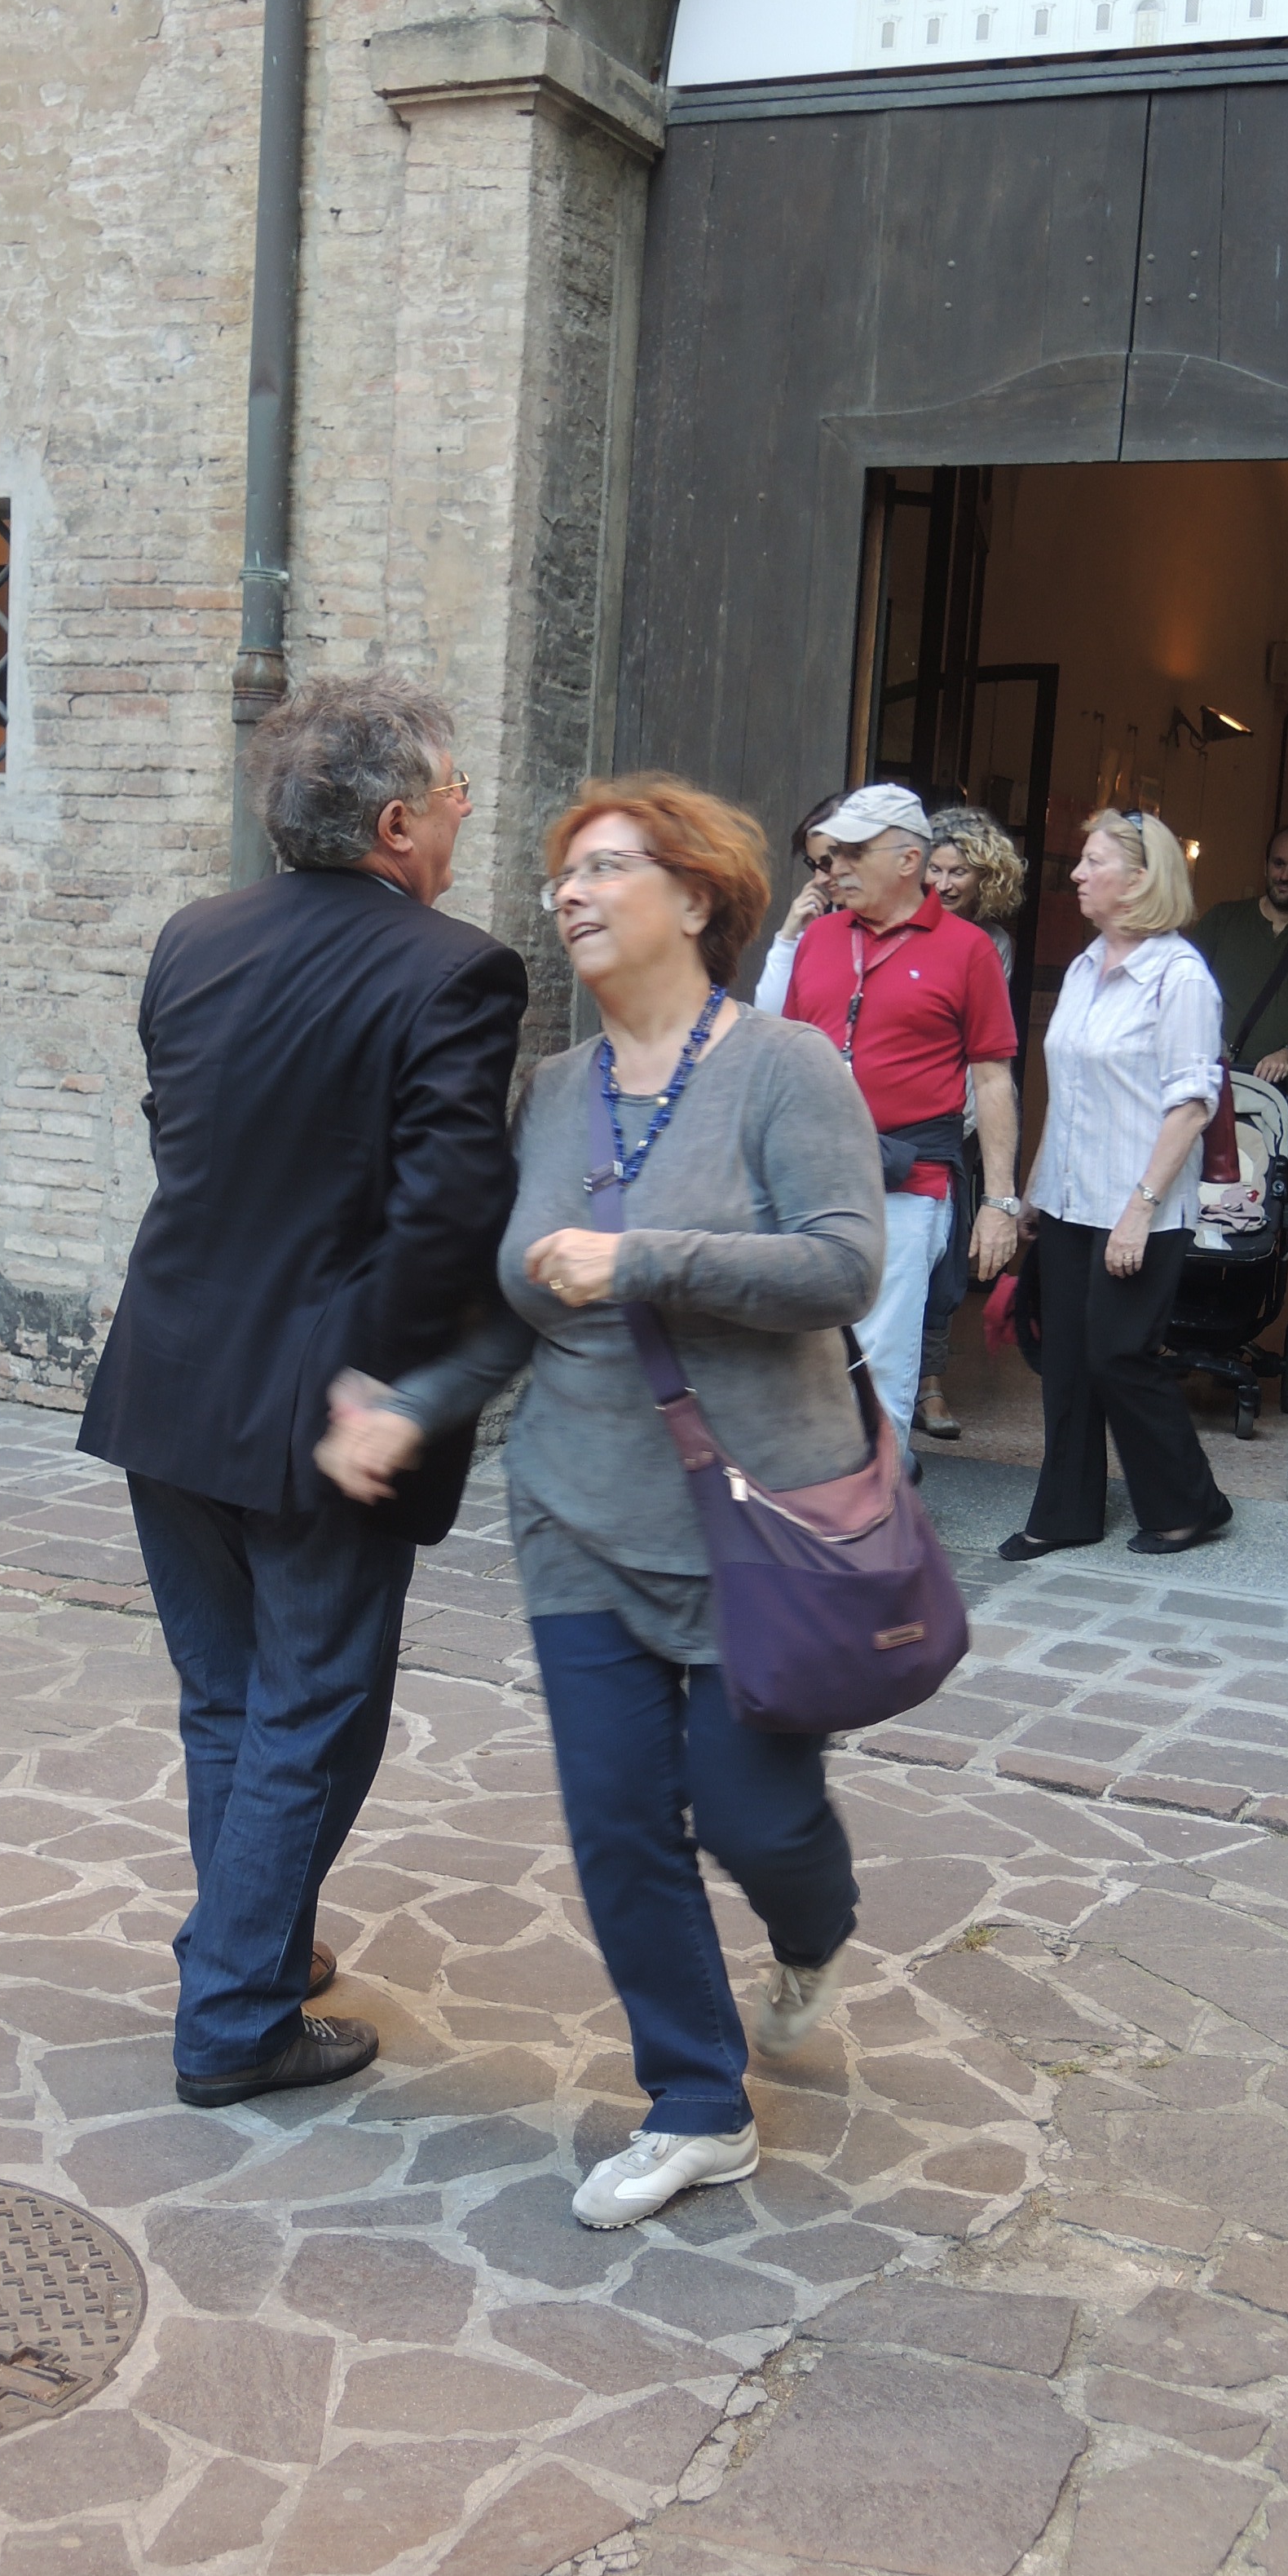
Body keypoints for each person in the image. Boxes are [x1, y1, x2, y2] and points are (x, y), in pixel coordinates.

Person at [315, 774, 884, 2231]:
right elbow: (521, 1310)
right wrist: (413, 1406)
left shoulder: (788, 1069)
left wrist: (644, 1261)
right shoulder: (555, 1091)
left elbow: (843, 1268)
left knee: (757, 1819)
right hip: (574, 1511)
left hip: (759, 1529)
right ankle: (698, 2105)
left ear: (695, 897)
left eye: (610, 867)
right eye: (563, 874)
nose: (572, 893)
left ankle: (814, 1926)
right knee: (621, 1820)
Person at [77, 673, 527, 2109]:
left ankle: (246, 1943)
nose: (462, 819)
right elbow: (448, 1214)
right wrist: (375, 1387)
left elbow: (179, 1132)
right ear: (396, 823)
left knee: (229, 1702)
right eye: (453, 798)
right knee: (312, 1712)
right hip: (321, 1412)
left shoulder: (194, 937)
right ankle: (235, 2019)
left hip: (172, 1377)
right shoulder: (457, 971)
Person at [1002, 808, 1231, 1562]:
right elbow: (1067, 1095)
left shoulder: (1179, 977)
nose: (1076, 874)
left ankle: (1191, 1503)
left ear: (1139, 880)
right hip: (1070, 1200)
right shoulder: (1082, 967)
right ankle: (1066, 1512)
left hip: (1140, 1205)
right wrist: (1035, 1192)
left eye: (1093, 861)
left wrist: (1139, 1211)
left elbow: (1191, 1105)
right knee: (1067, 1360)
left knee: (1118, 1356)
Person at [777, 783, 1021, 1450]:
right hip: (810, 1174)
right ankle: (806, 1491)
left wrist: (1000, 1202)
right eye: (835, 854)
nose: (837, 867)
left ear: (909, 860)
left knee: (880, 1357)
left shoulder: (969, 949)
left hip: (909, 1179)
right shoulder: (819, 938)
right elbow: (785, 1058)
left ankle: (877, 1498)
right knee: (797, 1347)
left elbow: (992, 1078)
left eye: (856, 852)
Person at [914, 806, 1027, 1441]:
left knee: (945, 1263)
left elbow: (982, 1047)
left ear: (988, 878)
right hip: (894, 1117)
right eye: (935, 869)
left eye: (960, 872)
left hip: (953, 1122)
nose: (945, 883)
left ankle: (930, 1383)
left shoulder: (992, 944)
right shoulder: (897, 927)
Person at [1189, 823, 1288, 1088]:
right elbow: (1180, 988)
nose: (1285, 875)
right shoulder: (1222, 919)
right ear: (1266, 866)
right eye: (1278, 863)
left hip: (1286, 1089)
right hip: (1212, 1082)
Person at [749, 791, 846, 1019]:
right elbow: (768, 1017)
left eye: (828, 863)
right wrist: (787, 938)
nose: (820, 879)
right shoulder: (819, 924)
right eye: (814, 865)